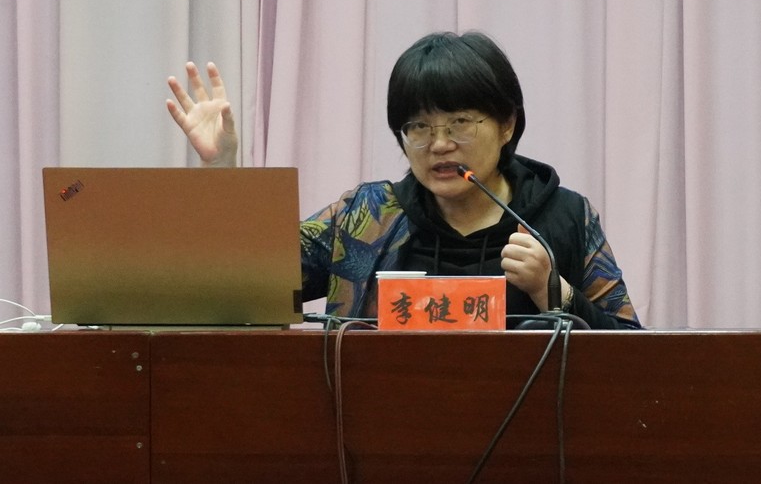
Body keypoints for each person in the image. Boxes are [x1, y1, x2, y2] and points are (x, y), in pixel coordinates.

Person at [167, 31, 642, 330]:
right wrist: (222, 170)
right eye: (419, 128)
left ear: (507, 125)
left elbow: (635, 355)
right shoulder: (366, 216)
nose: (439, 144)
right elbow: (248, 284)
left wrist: (553, 291)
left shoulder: (565, 216)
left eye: (460, 123)